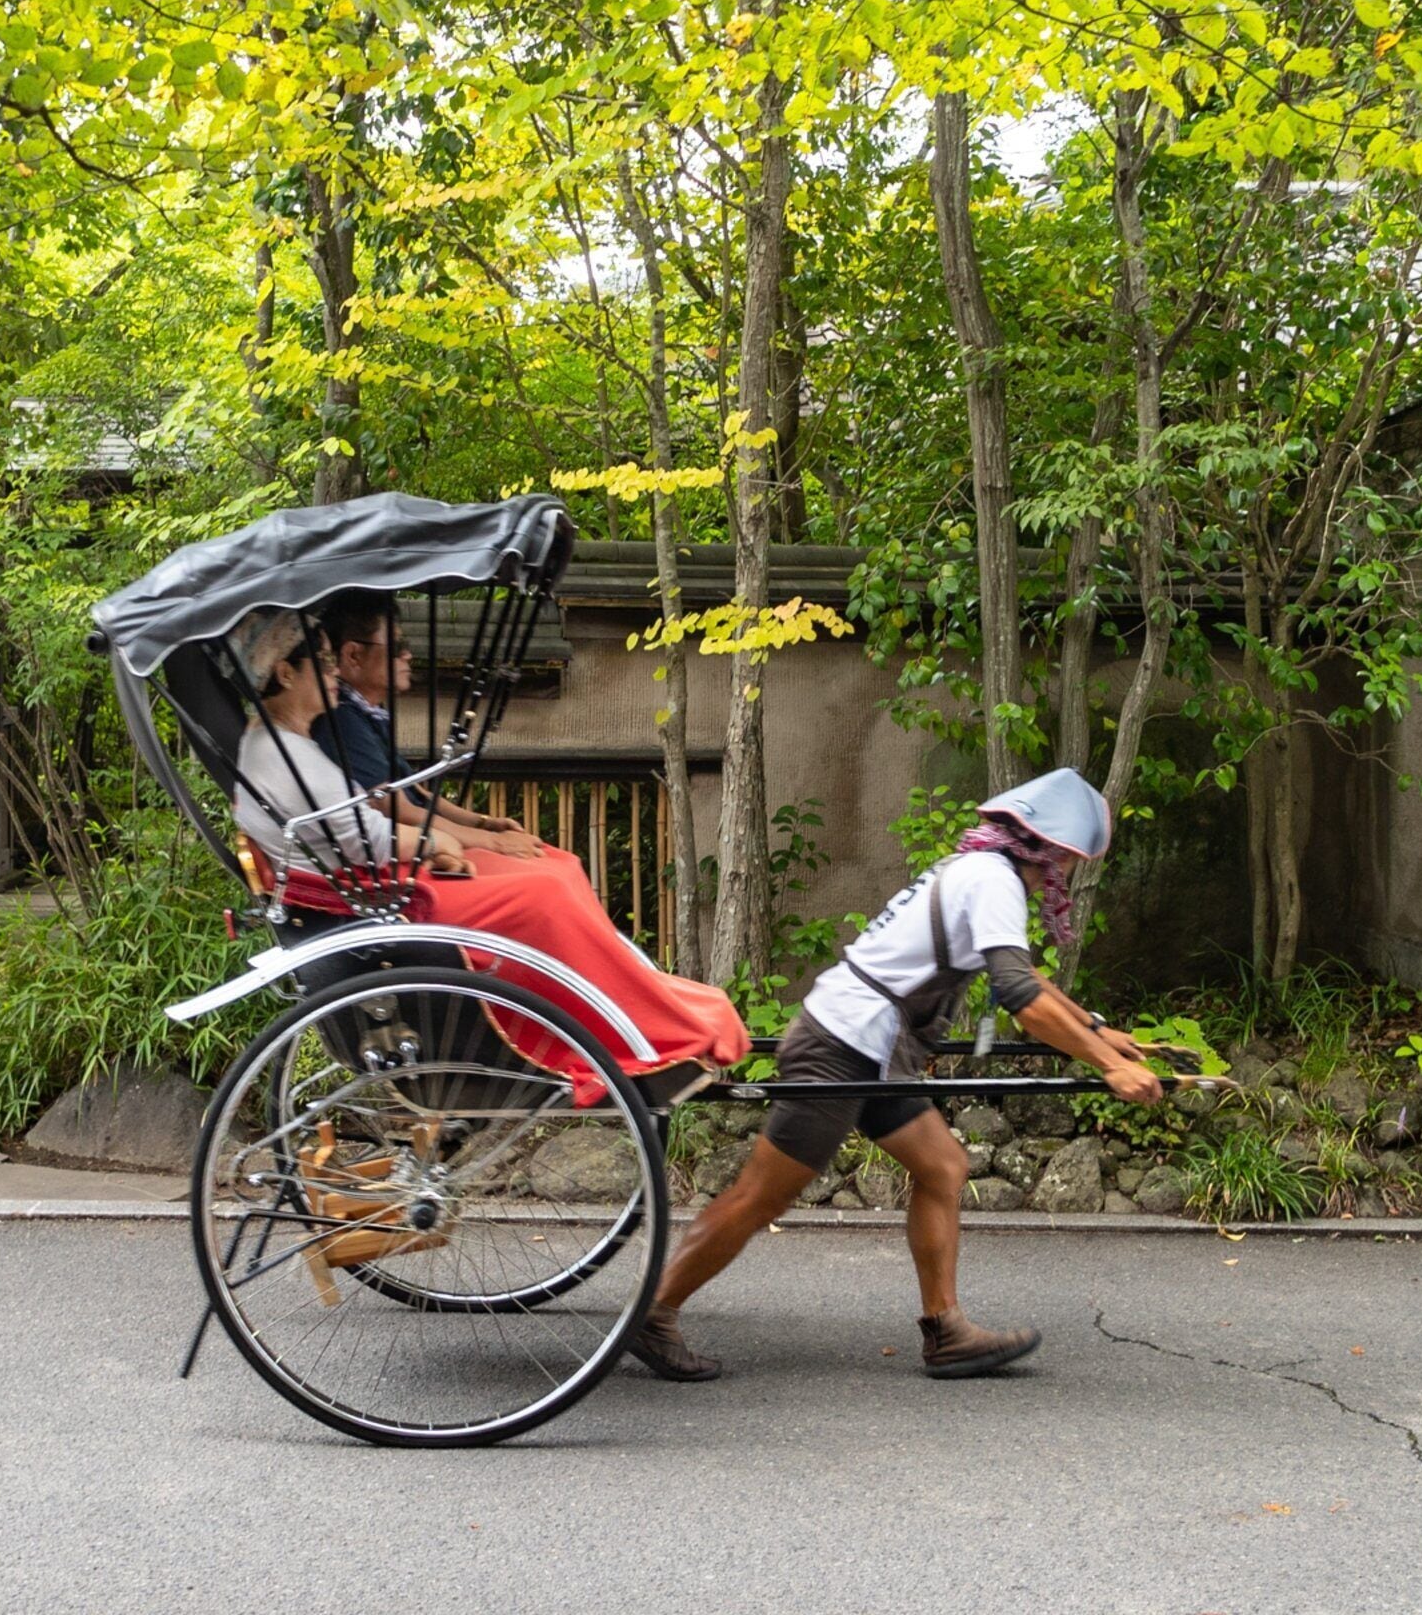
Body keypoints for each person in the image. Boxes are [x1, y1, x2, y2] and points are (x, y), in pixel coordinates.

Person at [625, 769, 1169, 1383]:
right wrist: (1111, 1069)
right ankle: (654, 1312)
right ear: (1051, 846)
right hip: (843, 1043)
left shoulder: (981, 868)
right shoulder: (993, 881)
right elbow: (1019, 995)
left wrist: (1096, 1034)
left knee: (942, 1167)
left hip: (874, 1046)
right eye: (1068, 857)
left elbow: (1026, 976)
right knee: (761, 1195)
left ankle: (946, 1331)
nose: (1066, 872)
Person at [226, 609, 747, 1080]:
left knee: (550, 873)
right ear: (285, 673)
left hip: (368, 881)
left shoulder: (283, 745)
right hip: (377, 891)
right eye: (321, 660)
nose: (334, 667)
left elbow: (373, 818)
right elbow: (371, 834)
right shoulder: (288, 751)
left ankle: (627, 999)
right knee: (543, 889)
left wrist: (462, 832)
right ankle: (609, 1024)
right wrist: (440, 841)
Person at [308, 590, 545, 858]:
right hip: (398, 855)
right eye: (397, 647)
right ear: (353, 655)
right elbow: (396, 808)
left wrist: (481, 822)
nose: (407, 655)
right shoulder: (342, 720)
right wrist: (491, 842)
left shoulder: (369, 712)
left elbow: (415, 791)